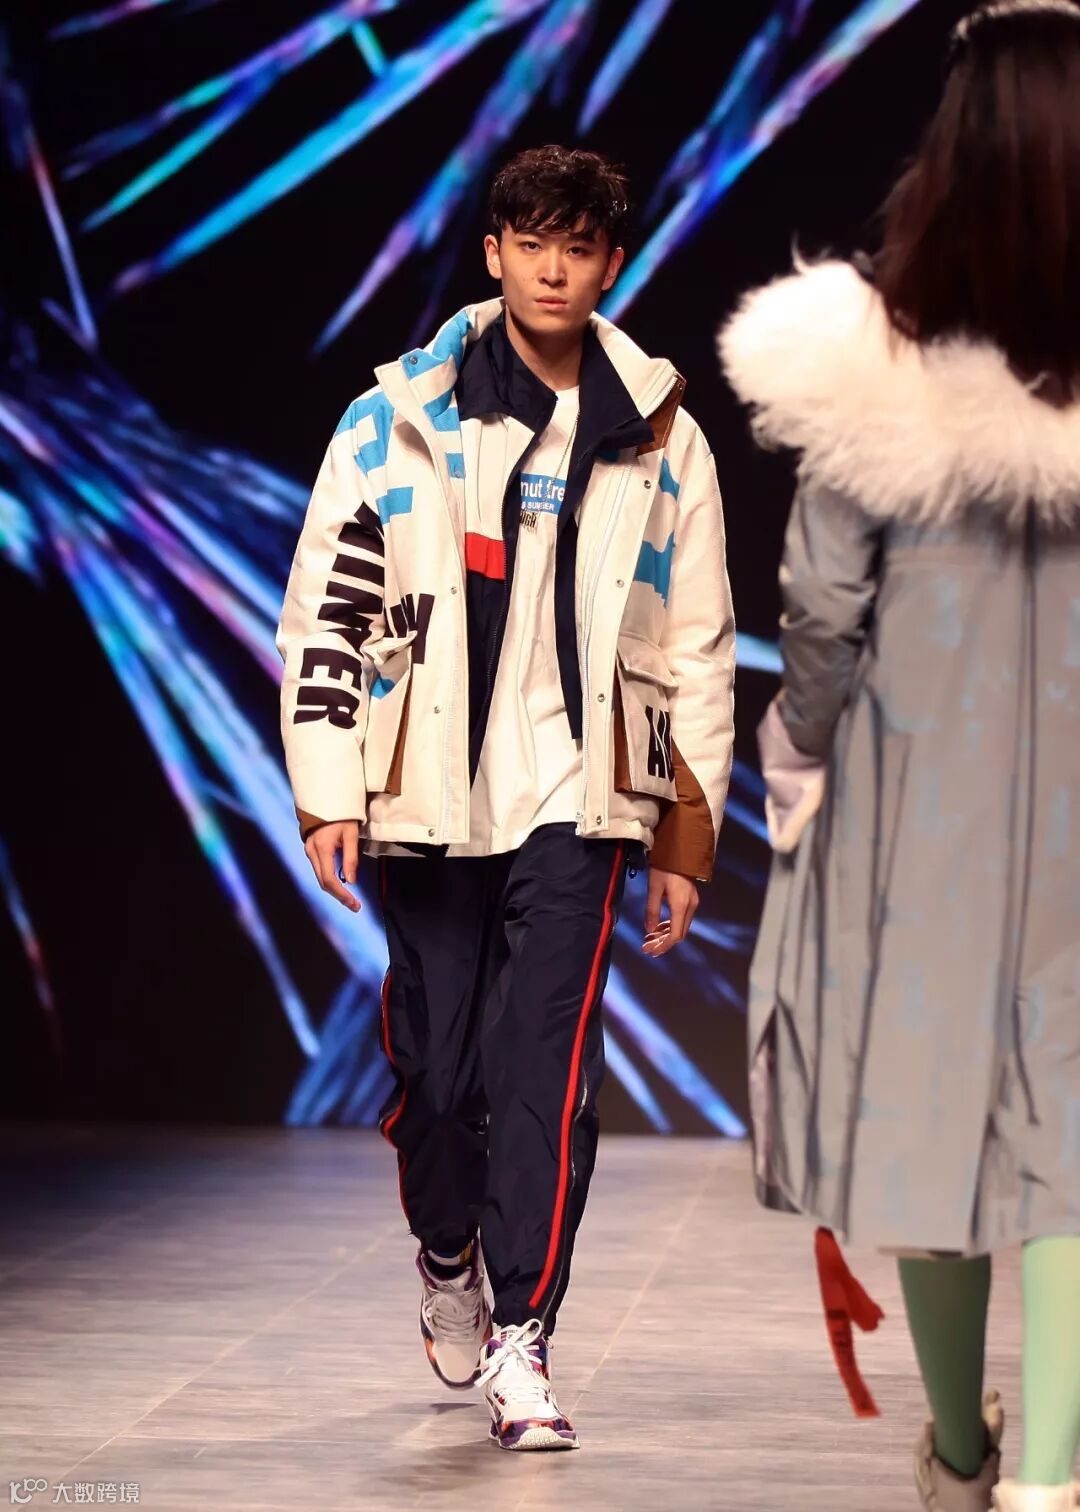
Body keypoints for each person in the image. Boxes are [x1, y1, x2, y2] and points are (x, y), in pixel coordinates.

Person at [277, 145, 735, 1451]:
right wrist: (329, 787)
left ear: (611, 265)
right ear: (493, 252)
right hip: (430, 792)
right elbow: (329, 608)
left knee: (546, 1068)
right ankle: (447, 1253)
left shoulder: (662, 434)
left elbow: (695, 643)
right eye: (531, 243)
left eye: (579, 248)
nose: (552, 270)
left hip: (578, 801)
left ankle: (525, 1336)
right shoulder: (395, 417)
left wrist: (682, 833)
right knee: (435, 1072)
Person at [720, 3, 1080, 1508]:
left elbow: (822, 605)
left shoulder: (870, 354)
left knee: (931, 1116)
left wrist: (795, 752)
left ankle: (964, 1450)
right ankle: (1056, 1476)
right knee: (1071, 1123)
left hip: (919, 793)